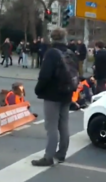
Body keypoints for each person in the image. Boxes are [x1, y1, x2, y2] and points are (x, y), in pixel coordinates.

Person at [33, 27, 77, 166]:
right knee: (63, 124)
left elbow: (45, 75)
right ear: (64, 38)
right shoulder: (70, 53)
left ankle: (48, 156)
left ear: (52, 38)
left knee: (51, 126)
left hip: (52, 94)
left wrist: (38, 90)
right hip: (67, 93)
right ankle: (62, 153)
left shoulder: (51, 53)